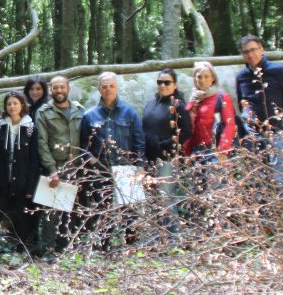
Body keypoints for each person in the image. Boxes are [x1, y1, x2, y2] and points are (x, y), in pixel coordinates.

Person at [235, 35, 283, 226]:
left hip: (278, 133)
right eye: (246, 52)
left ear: (262, 49)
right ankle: (270, 222)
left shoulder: (279, 71)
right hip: (255, 135)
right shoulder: (241, 76)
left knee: (280, 177)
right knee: (260, 178)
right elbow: (242, 101)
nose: (250, 54)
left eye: (253, 49)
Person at [80, 72, 146, 244]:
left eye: (111, 85)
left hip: (127, 167)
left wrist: (139, 166)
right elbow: (84, 146)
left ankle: (131, 245)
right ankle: (104, 246)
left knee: (129, 210)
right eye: (104, 86)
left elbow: (139, 141)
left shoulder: (129, 112)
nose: (108, 89)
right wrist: (91, 162)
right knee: (103, 209)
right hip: (101, 169)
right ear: (99, 89)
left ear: (117, 87)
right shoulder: (89, 115)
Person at [34, 76, 84, 255]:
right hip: (55, 166)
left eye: (62, 87)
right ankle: (46, 249)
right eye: (55, 88)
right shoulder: (43, 112)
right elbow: (42, 143)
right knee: (50, 213)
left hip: (76, 167)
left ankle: (64, 248)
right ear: (51, 90)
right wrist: (51, 169)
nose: (59, 91)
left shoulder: (79, 110)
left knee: (69, 212)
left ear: (68, 88)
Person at [142, 70, 192, 234]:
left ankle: (174, 236)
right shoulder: (150, 104)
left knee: (165, 196)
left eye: (167, 82)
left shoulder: (178, 106)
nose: (163, 85)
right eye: (160, 82)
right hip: (149, 158)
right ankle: (158, 236)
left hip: (167, 159)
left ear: (174, 85)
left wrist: (164, 145)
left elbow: (186, 132)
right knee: (152, 198)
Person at [0, 91, 41, 249]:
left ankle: (21, 248)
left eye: (15, 103)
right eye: (9, 103)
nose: (12, 106)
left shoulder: (31, 128)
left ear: (22, 105)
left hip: (22, 181)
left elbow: (34, 160)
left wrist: (31, 186)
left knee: (22, 216)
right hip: (1, 179)